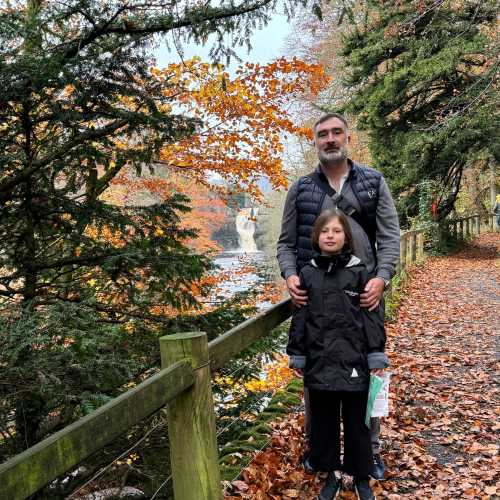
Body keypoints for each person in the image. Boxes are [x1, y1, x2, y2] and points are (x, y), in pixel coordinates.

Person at [277, 112, 400, 480]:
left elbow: (390, 238)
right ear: (314, 141)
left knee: (368, 379)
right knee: (319, 384)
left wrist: (382, 278)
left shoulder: (372, 183)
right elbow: (285, 244)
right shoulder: (301, 189)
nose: (329, 139)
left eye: (336, 133)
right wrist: (290, 274)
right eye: (322, 135)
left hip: (364, 298)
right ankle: (322, 454)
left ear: (347, 137)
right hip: (314, 304)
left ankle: (369, 453)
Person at [287, 209, 388, 500]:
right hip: (319, 363)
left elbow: (371, 316)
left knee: (358, 423)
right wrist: (298, 354)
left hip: (354, 361)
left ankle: (359, 476)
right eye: (325, 231)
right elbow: (301, 317)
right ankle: (330, 474)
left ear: (346, 237)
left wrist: (375, 354)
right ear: (316, 237)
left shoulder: (359, 272)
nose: (330, 236)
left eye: (336, 231)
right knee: (324, 423)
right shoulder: (307, 273)